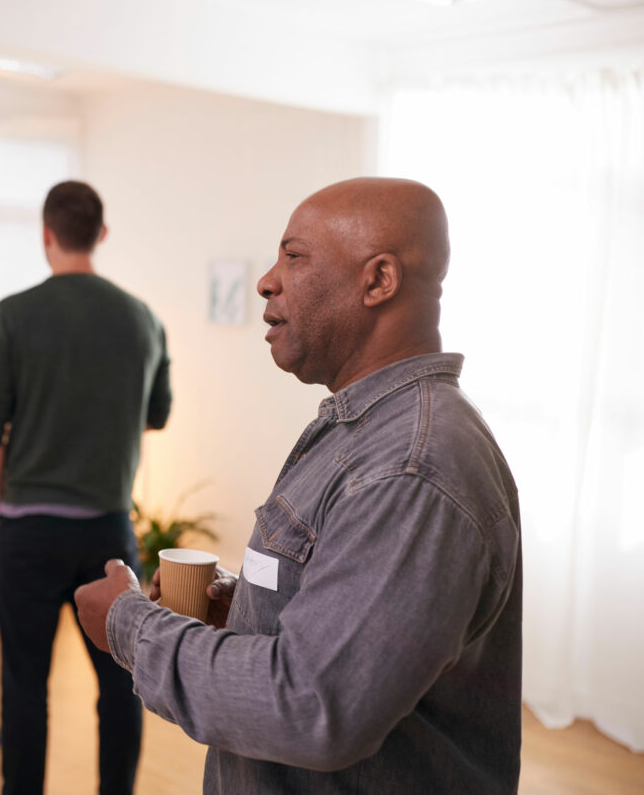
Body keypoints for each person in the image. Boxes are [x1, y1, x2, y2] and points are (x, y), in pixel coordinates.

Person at [74, 177, 522, 793]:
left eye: (294, 255)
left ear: (379, 281)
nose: (266, 281)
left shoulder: (410, 469)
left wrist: (127, 625)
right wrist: (248, 607)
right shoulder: (363, 428)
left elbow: (312, 706)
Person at [0, 180, 172, 795]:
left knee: (25, 683)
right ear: (101, 234)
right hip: (108, 528)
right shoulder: (144, 319)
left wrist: (2, 512)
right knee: (122, 682)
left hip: (27, 528)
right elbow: (155, 414)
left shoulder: (11, 314)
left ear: (46, 234)